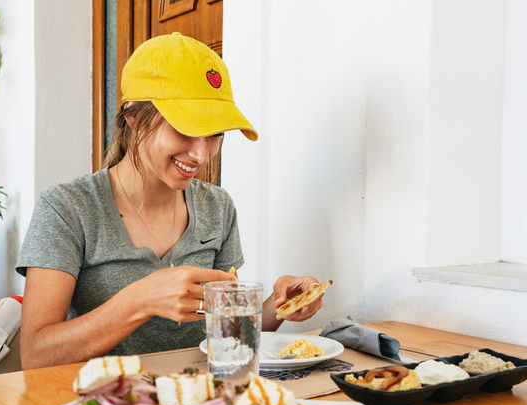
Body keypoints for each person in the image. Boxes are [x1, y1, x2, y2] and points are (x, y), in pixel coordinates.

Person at [17, 33, 325, 370]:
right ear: (132, 118)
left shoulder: (217, 208)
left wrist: (276, 307)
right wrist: (141, 300)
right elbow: (36, 354)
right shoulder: (67, 208)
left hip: (199, 404)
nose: (201, 154)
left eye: (215, 133)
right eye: (185, 127)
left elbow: (229, 337)